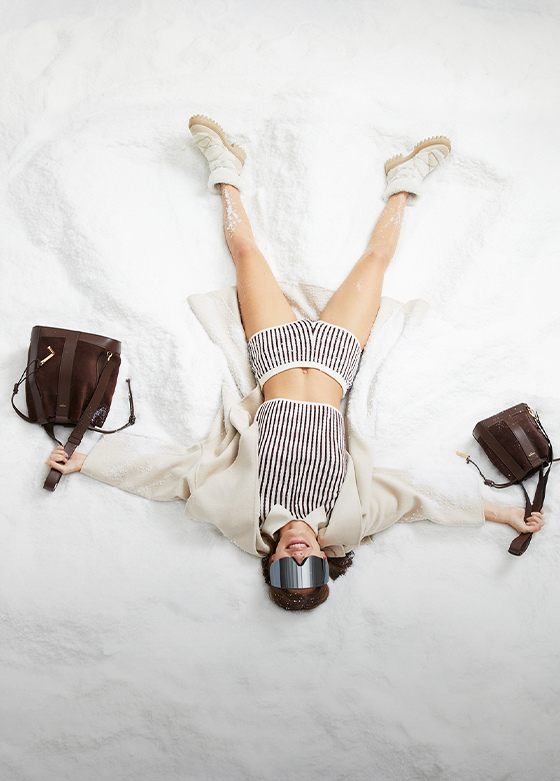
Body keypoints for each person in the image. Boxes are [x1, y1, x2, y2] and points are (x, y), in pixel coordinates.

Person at [47, 116, 545, 611]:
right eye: (312, 569)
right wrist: (504, 515)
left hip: (275, 357)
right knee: (374, 263)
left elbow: (174, 474)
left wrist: (89, 463)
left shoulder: (237, 509)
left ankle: (226, 170)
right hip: (335, 360)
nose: (300, 556)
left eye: (289, 569)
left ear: (272, 562)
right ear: (327, 561)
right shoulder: (353, 519)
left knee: (246, 253)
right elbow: (418, 499)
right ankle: (404, 181)